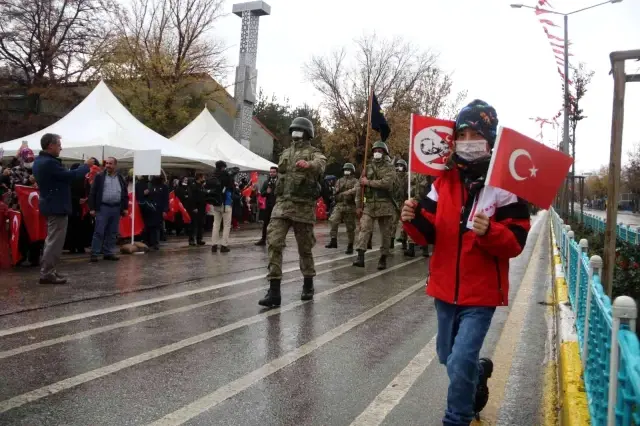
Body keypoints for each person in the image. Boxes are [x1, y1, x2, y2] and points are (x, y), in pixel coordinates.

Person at [401, 99, 531, 425]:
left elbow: (516, 242)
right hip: (444, 290)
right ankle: (478, 375)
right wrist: (411, 219)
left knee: (459, 360)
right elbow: (427, 231)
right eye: (463, 133)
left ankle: (456, 418)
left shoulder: (505, 188)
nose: (468, 141)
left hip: (481, 295)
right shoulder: (442, 182)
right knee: (448, 358)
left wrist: (491, 232)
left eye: (477, 134)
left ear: (490, 140)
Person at [258, 116, 327, 308]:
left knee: (304, 248)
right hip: (282, 205)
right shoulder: (285, 153)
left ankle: (308, 283)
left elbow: (321, 163)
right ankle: (274, 291)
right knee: (274, 243)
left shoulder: (314, 153)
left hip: (303, 207)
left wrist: (309, 165)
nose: (296, 134)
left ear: (307, 133)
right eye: (294, 131)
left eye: (300, 131)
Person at [32, 133, 90, 284]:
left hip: (52, 205)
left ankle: (49, 270)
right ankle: (47, 273)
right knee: (54, 242)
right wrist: (86, 166)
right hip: (56, 206)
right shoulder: (49, 163)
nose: (61, 148)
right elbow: (71, 176)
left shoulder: (41, 161)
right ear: (50, 145)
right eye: (58, 145)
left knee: (52, 240)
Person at [352, 141, 395, 270]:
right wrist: (359, 205)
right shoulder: (368, 167)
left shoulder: (390, 167)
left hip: (385, 204)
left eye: (380, 151)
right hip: (369, 204)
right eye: (375, 151)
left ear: (384, 153)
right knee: (364, 229)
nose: (377, 153)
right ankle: (360, 256)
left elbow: (387, 183)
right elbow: (360, 187)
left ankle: (383, 257)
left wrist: (369, 182)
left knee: (385, 233)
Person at [88, 157, 128, 262]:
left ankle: (108, 252)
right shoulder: (100, 176)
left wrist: (125, 208)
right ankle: (95, 253)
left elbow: (124, 193)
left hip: (116, 207)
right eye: (106, 163)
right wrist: (92, 208)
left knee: (112, 232)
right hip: (103, 207)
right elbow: (93, 193)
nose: (108, 165)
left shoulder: (120, 177)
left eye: (110, 164)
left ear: (115, 165)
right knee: (99, 231)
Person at [325, 163, 358, 254]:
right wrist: (334, 193)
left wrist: (347, 193)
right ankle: (333, 240)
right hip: (339, 205)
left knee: (350, 227)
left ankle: (350, 245)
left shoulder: (355, 181)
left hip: (350, 206)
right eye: (345, 169)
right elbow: (335, 191)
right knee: (333, 220)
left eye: (348, 169)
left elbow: (356, 190)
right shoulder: (339, 181)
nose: (347, 171)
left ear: (352, 171)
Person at [207, 160, 234, 253]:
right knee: (226, 225)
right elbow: (231, 187)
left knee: (216, 224)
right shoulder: (225, 175)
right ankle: (224, 245)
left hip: (215, 203)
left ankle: (214, 245)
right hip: (225, 203)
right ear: (223, 167)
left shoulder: (212, 175)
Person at [256, 166, 278, 246]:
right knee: (266, 223)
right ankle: (263, 239)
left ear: (277, 173)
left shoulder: (280, 182)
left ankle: (278, 240)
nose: (272, 173)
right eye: (271, 172)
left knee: (278, 224)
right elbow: (262, 193)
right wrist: (266, 192)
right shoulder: (266, 182)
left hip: (278, 205)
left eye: (273, 172)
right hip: (268, 206)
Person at [390, 159, 408, 250]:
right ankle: (391, 240)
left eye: (401, 165)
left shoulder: (407, 177)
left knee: (404, 222)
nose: (399, 167)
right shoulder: (394, 177)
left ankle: (403, 240)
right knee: (393, 222)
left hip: (404, 202)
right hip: (394, 201)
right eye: (398, 165)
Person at [187, 173, 207, 246]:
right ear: (199, 178)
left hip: (202, 207)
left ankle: (199, 239)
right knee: (193, 224)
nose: (204, 179)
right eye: (203, 177)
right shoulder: (193, 186)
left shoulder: (201, 186)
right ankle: (191, 239)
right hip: (196, 208)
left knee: (200, 224)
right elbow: (191, 197)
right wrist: (193, 207)